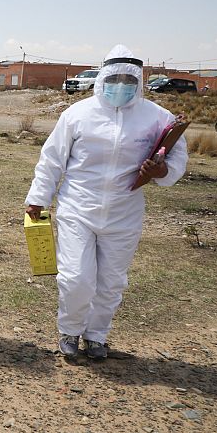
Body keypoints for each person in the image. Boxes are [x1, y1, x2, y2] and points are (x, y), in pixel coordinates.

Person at [25, 44, 188, 360]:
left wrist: (163, 171)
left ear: (139, 81)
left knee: (111, 282)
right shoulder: (77, 114)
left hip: (124, 212)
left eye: (129, 80)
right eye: (115, 79)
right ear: (102, 78)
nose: (121, 85)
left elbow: (177, 157)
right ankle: (70, 330)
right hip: (78, 208)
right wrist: (38, 198)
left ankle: (96, 335)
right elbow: (52, 159)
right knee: (76, 277)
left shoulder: (157, 117)